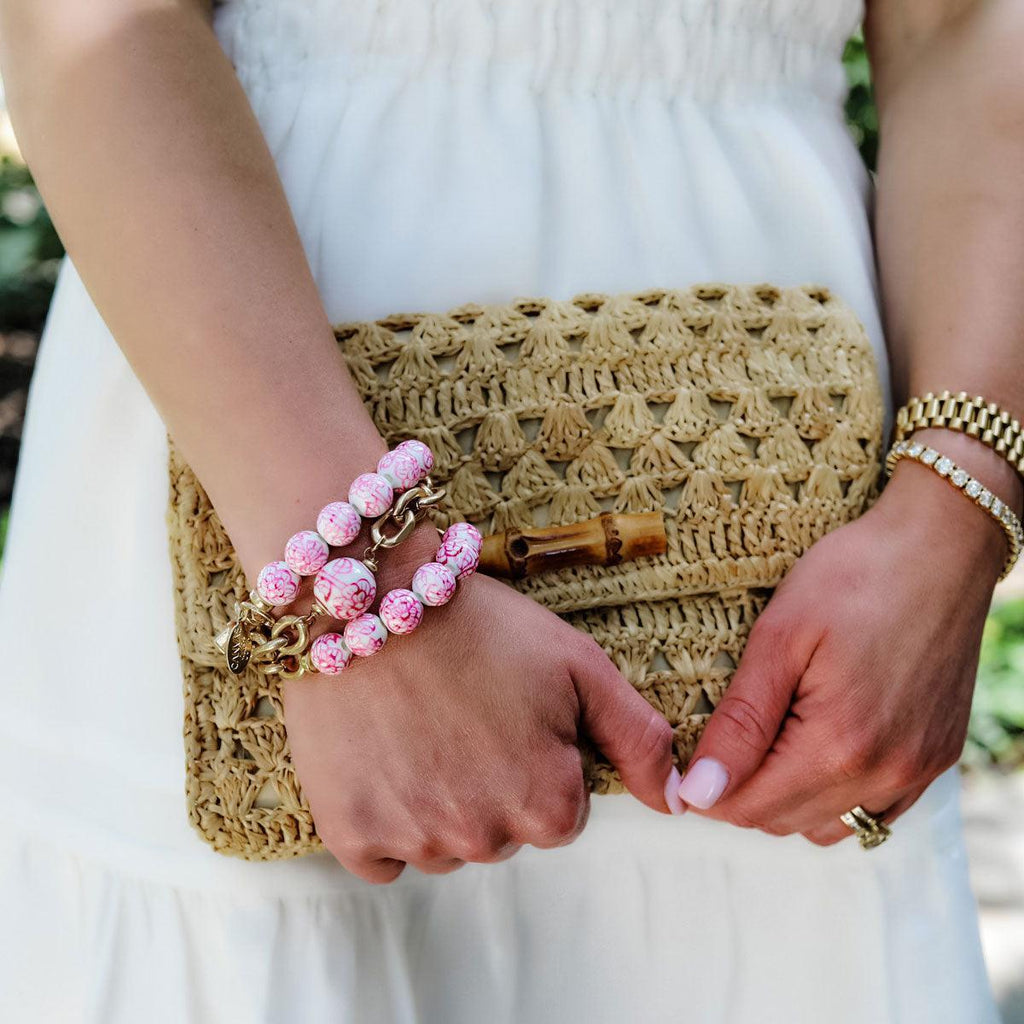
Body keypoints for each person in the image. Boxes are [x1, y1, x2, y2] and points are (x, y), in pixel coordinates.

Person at [0, 0, 1017, 1019]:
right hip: (252, 405)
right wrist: (356, 583)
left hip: (804, 589)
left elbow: (960, 26)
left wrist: (956, 511)